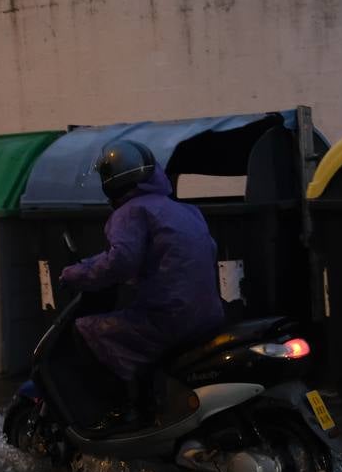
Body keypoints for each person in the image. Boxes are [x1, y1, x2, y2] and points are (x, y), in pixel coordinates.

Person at [60, 140, 226, 433]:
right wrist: (87, 265)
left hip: (168, 318)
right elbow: (204, 250)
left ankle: (121, 412)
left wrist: (76, 276)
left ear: (111, 181)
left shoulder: (129, 213)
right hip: (209, 316)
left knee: (86, 332)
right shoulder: (185, 211)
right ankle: (153, 405)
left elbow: (121, 261)